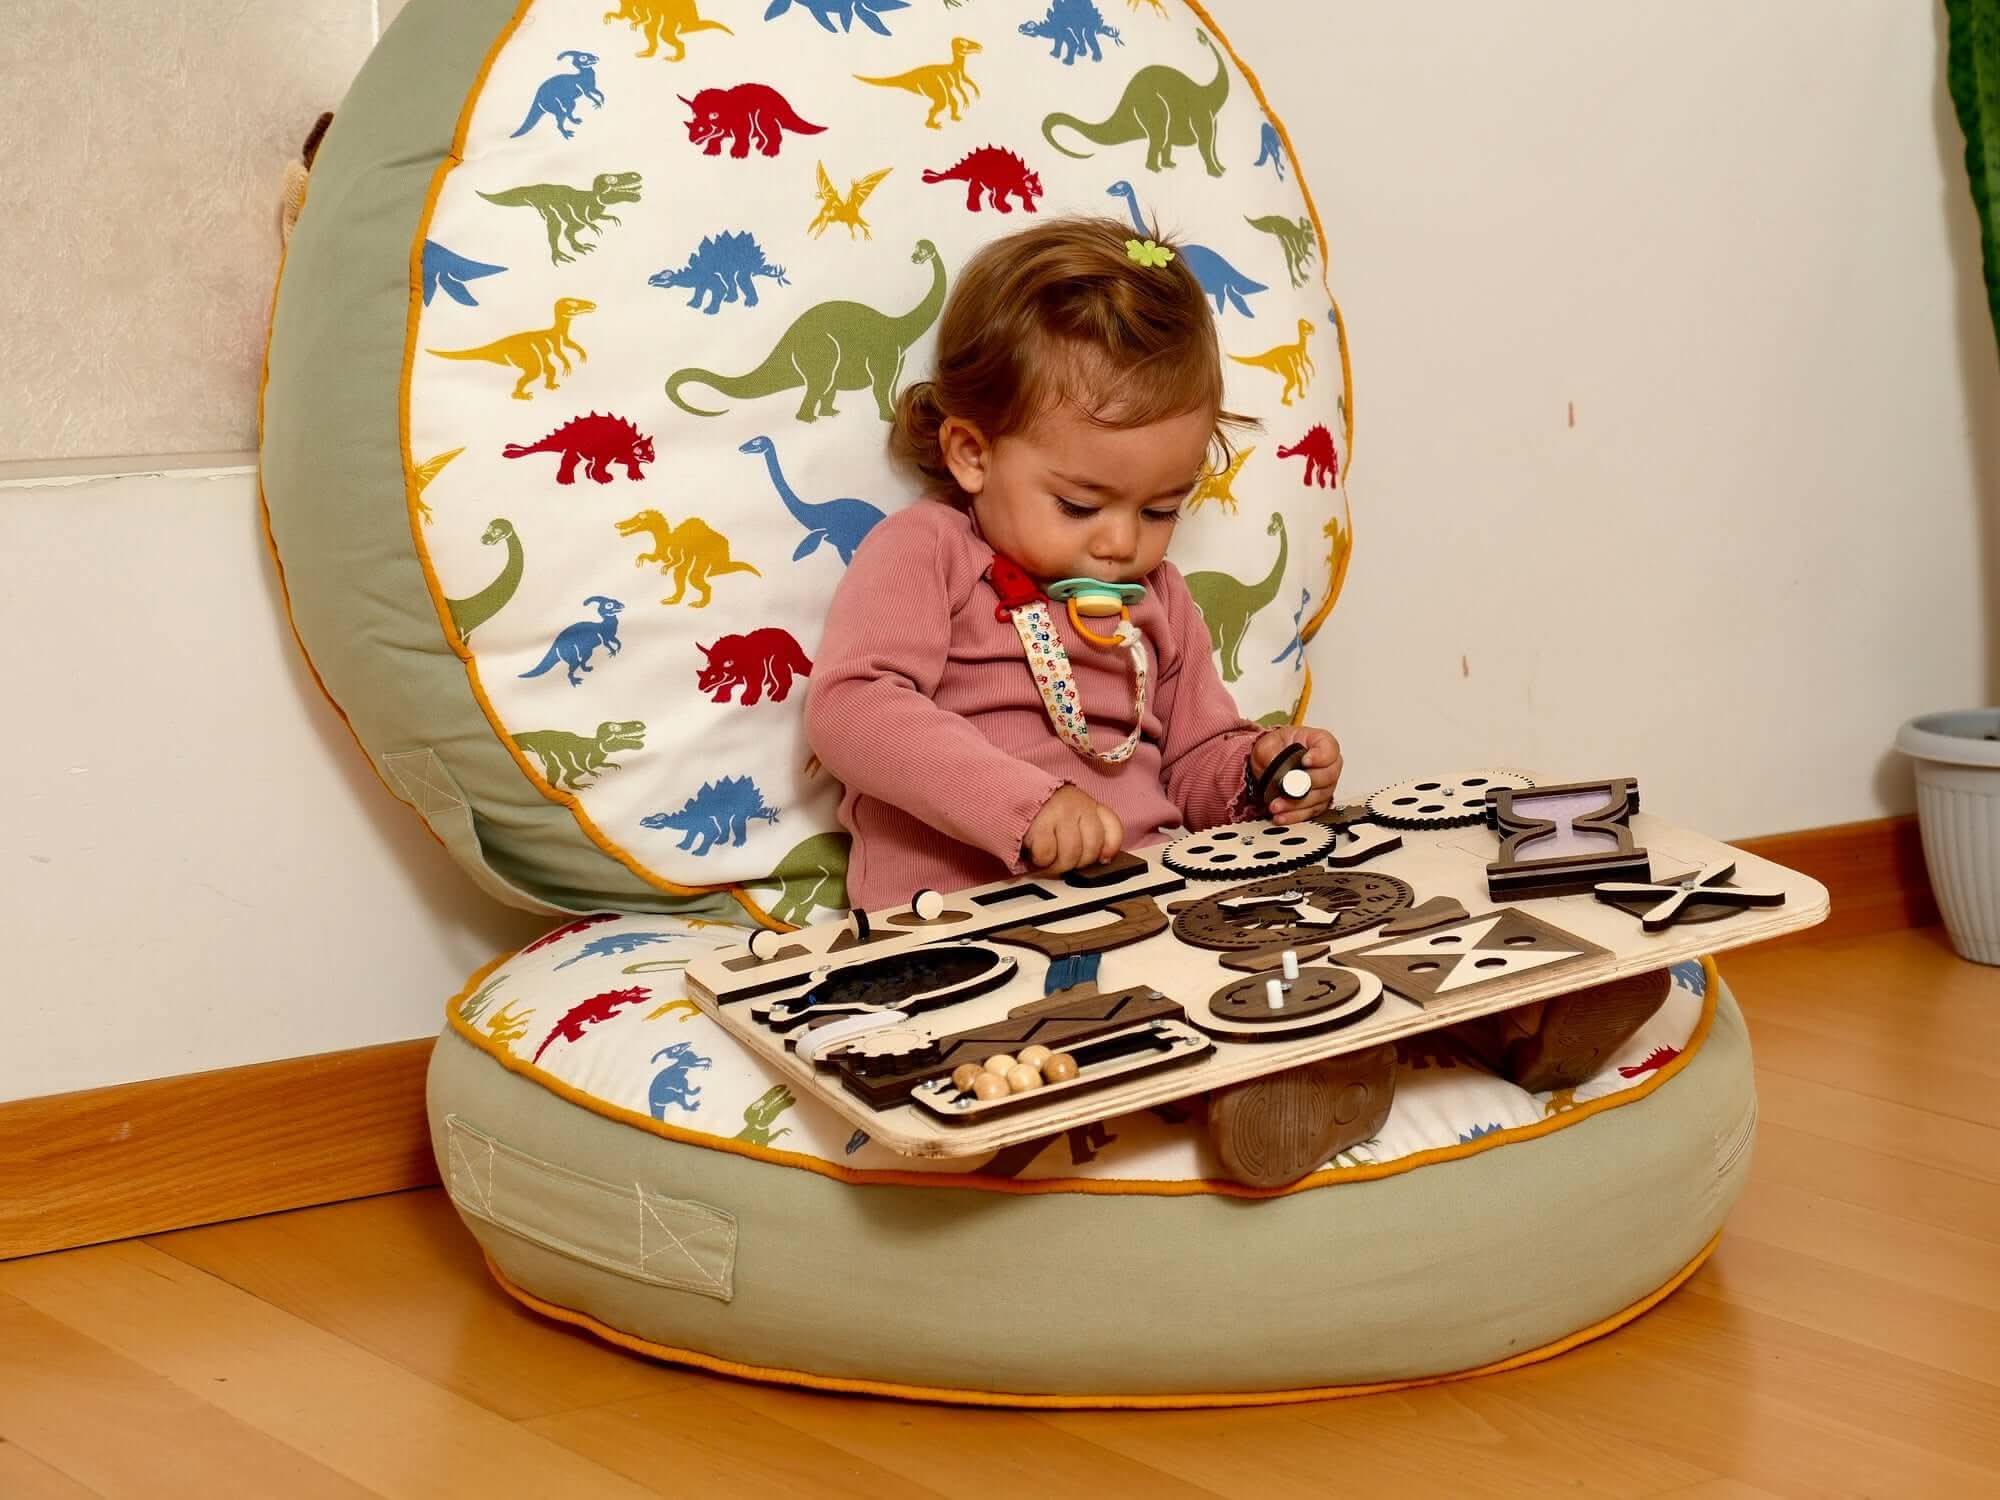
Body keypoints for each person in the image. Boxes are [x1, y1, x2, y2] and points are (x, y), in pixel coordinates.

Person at [805, 216, 1342, 909]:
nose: (1121, 544)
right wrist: (1027, 805)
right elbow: (853, 711)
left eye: (1158, 511)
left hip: (1153, 906)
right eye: (1080, 505)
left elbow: (1192, 764)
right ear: (973, 452)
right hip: (960, 923)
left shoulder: (1160, 597)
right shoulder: (927, 550)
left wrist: (1259, 775)